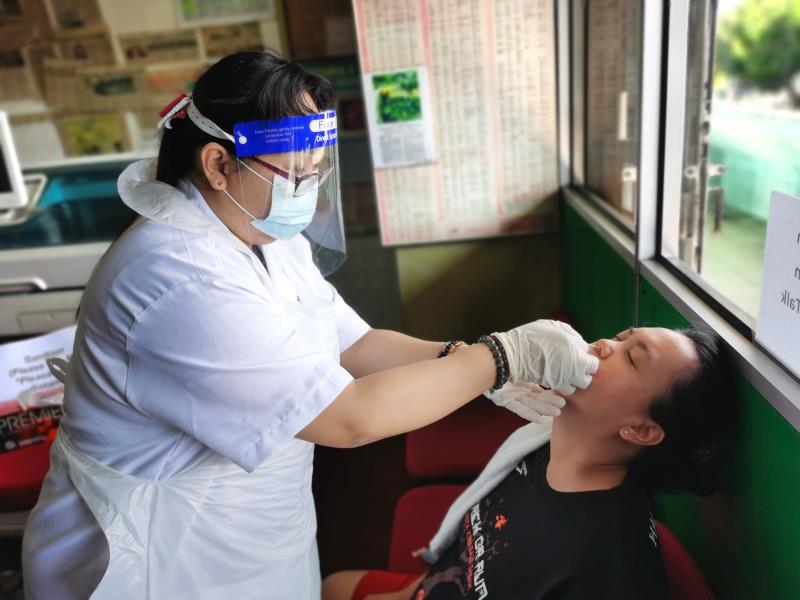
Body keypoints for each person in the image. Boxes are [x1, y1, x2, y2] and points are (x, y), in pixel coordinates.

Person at [21, 51, 599, 600]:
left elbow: (356, 346)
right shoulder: (178, 280)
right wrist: (499, 358)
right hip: (160, 559)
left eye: (318, 174)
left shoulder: (261, 233)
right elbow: (350, 418)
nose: (307, 192)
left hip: (246, 537)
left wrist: (459, 355)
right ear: (219, 164)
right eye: (296, 175)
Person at [322, 326, 736, 600]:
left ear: (642, 431)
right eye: (622, 337)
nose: (606, 345)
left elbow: (352, 419)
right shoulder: (543, 445)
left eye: (631, 358)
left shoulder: (603, 570)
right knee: (329, 586)